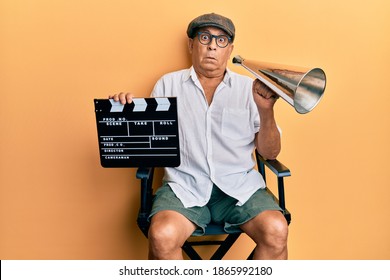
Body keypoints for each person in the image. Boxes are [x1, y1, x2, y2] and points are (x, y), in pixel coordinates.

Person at [110, 13, 288, 260]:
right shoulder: (167, 85)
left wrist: (266, 110)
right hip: (184, 187)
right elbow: (146, 141)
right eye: (205, 37)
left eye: (221, 40)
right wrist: (123, 110)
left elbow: (270, 153)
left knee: (277, 230)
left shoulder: (251, 89)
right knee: (162, 235)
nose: (213, 45)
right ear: (191, 45)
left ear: (230, 49)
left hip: (239, 188)